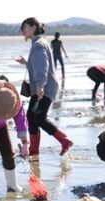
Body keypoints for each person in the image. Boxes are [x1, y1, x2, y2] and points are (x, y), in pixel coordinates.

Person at [15, 17, 73, 157]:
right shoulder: (40, 42)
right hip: (44, 87)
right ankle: (34, 150)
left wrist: (40, 86)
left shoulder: (39, 44)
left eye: (25, 28)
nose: (23, 31)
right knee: (31, 116)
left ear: (33, 27)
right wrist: (26, 63)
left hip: (45, 88)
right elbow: (38, 64)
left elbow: (42, 67)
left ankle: (65, 140)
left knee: (39, 117)